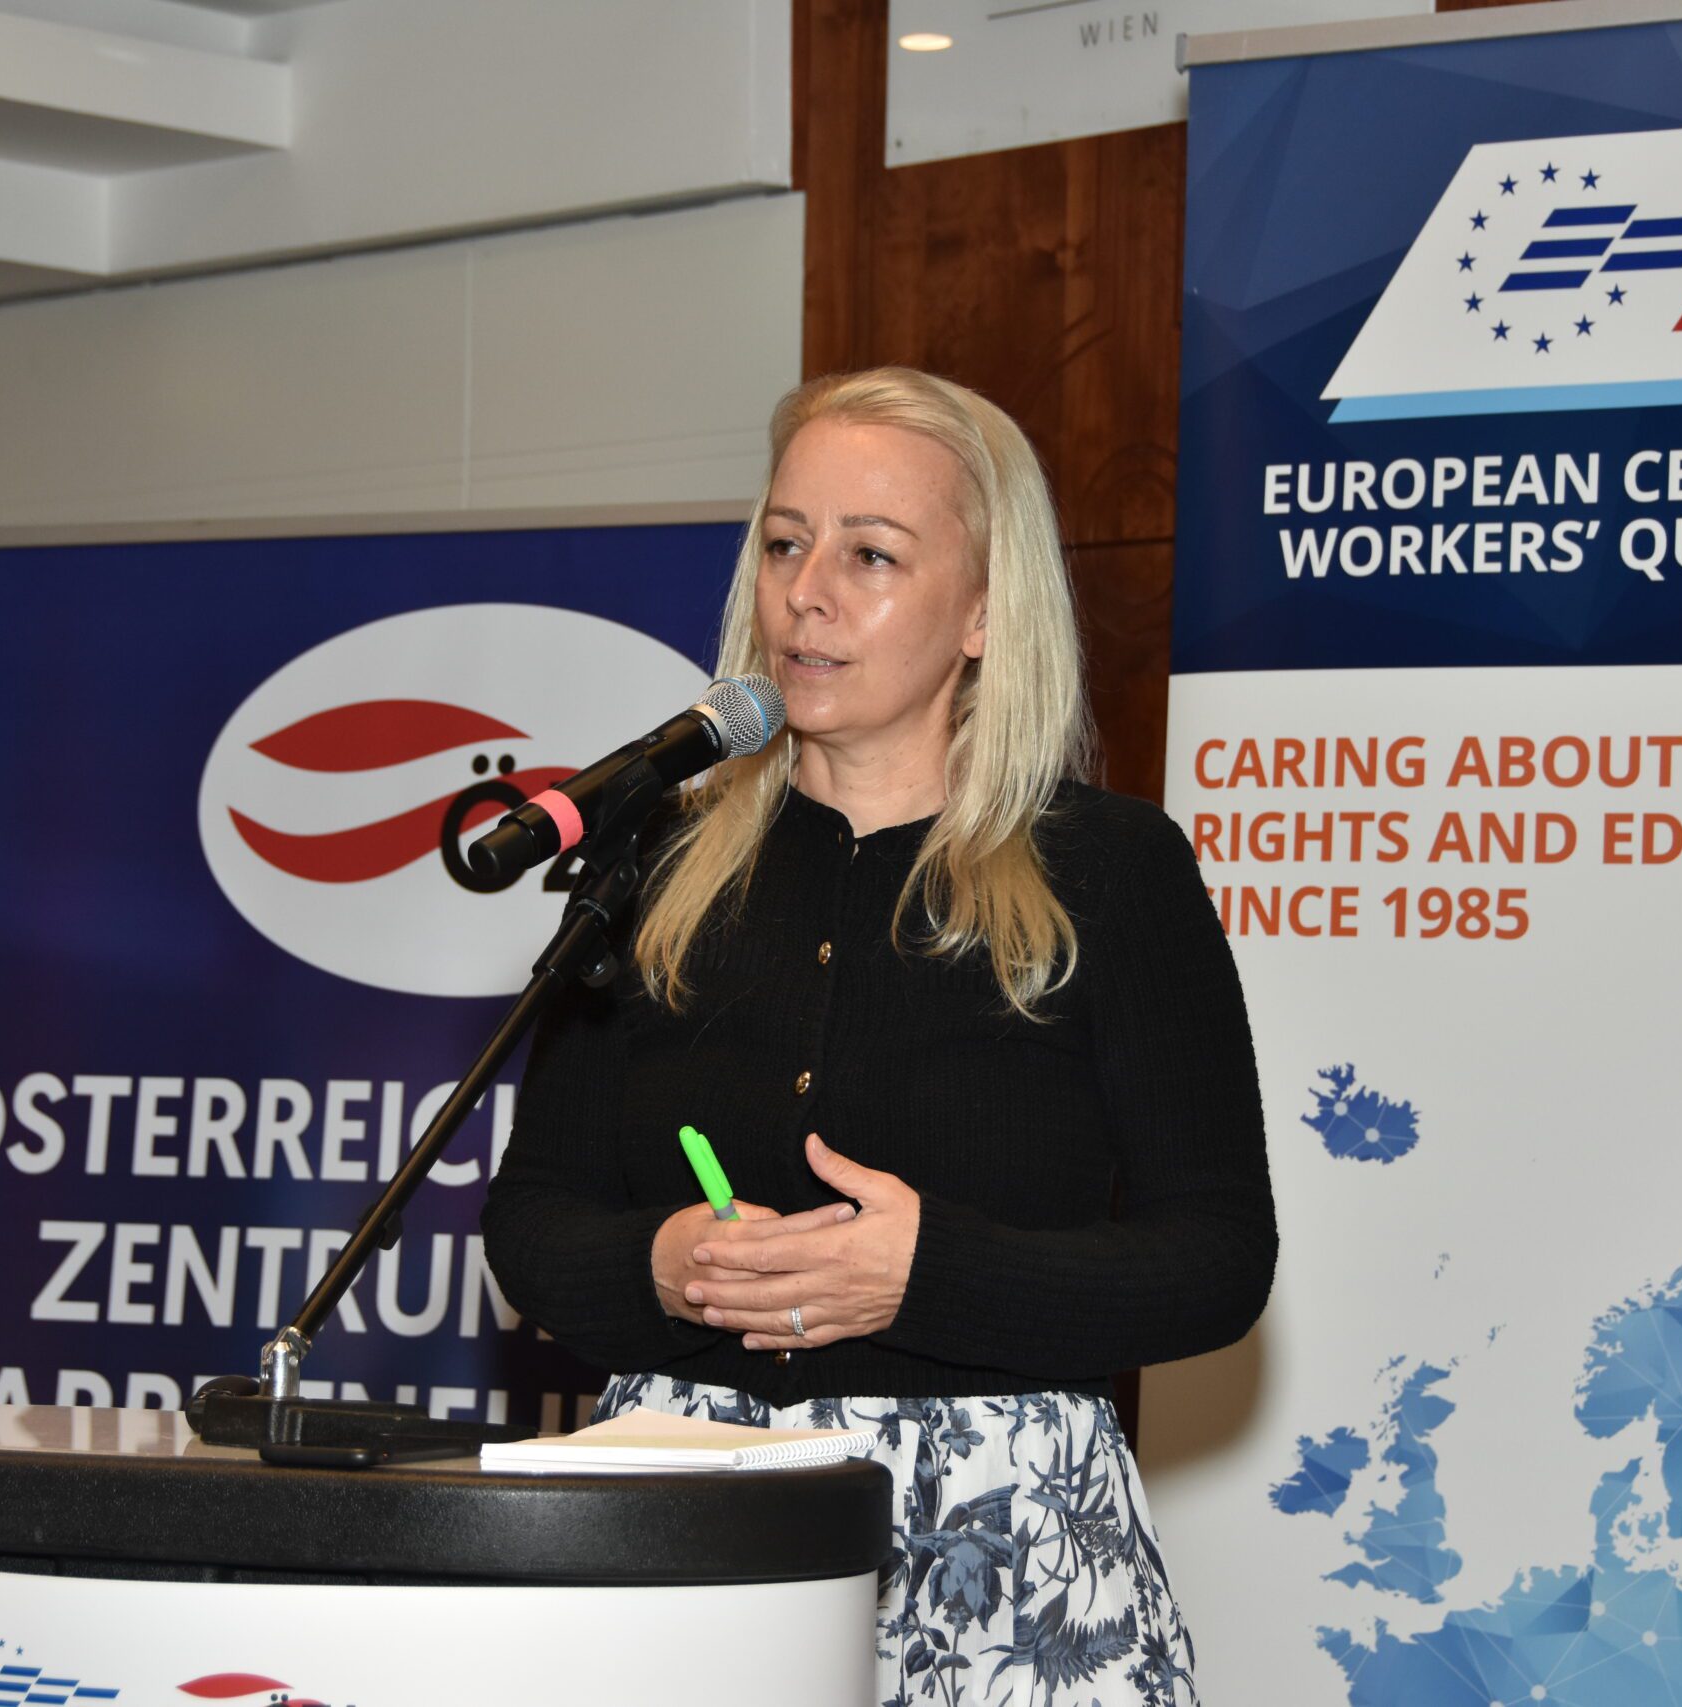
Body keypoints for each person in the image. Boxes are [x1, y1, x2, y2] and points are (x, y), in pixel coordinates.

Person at [481, 366, 1274, 1706]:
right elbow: (532, 1218)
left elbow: (1217, 1260)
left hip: (1007, 1554)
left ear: (983, 611)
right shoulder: (657, 866)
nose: (808, 593)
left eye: (871, 555)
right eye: (786, 543)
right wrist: (664, 1266)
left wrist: (931, 1275)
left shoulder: (1111, 870)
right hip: (686, 1527)